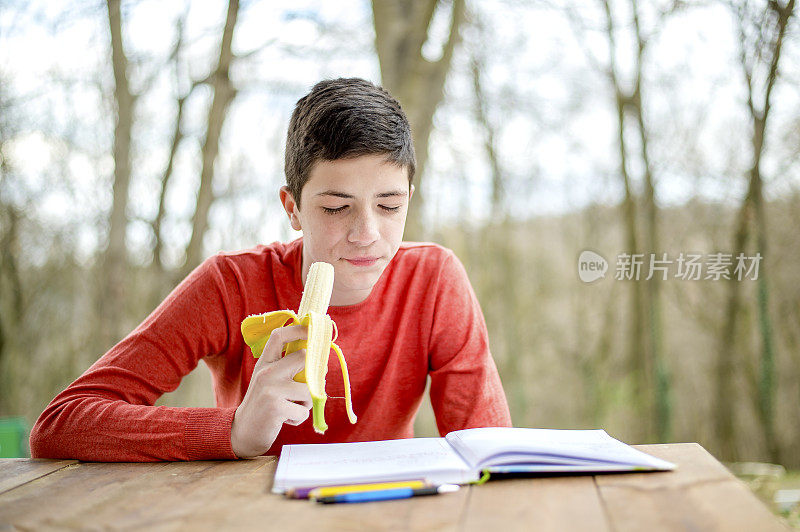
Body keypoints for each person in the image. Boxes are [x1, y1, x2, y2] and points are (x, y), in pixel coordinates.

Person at [29, 77, 512, 461]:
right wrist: (233, 430)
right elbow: (62, 423)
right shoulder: (230, 284)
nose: (366, 233)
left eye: (388, 205)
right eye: (336, 208)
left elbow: (488, 450)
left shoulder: (434, 280)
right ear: (292, 208)